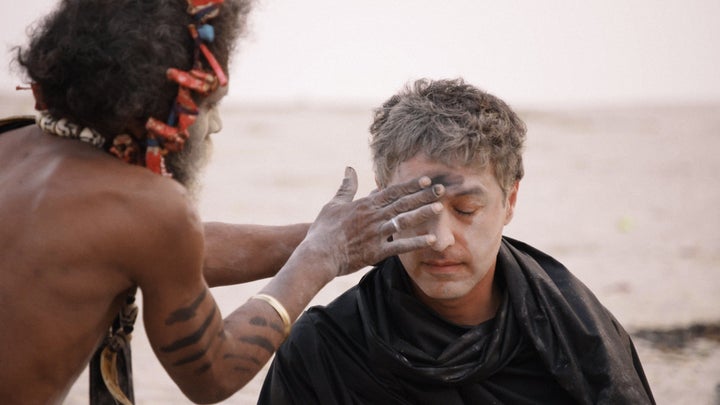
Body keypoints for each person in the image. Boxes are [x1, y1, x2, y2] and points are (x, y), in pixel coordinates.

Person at [0, 1, 445, 404]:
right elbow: (212, 375)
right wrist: (324, 255)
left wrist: (336, 236)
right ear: (157, 103)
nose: (214, 127)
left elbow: (164, 250)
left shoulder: (12, 142)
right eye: (209, 104)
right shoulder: (148, 212)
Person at [259, 78, 656, 404]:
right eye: (414, 208)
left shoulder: (580, 340)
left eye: (465, 209)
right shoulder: (324, 352)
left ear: (510, 200)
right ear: (381, 198)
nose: (439, 239)